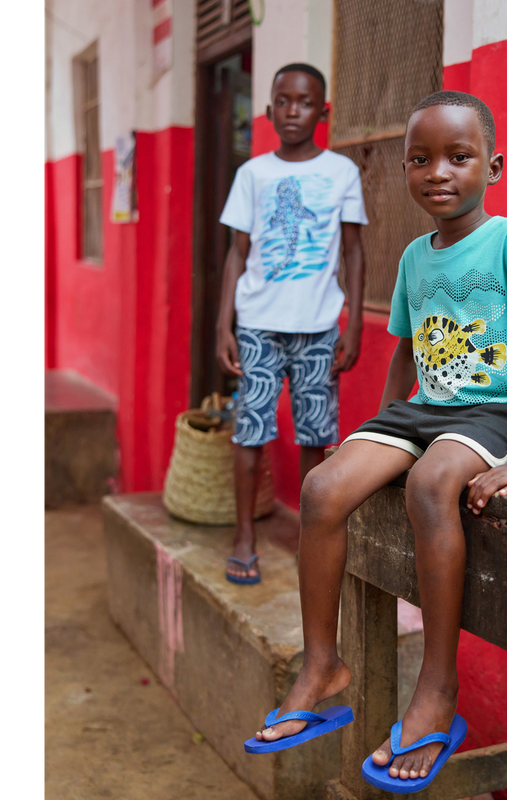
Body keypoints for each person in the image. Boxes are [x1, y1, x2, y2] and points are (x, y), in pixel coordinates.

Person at [245, 90, 507, 793]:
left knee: (433, 485)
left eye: (458, 158)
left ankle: (435, 688)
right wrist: (375, 440)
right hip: (421, 411)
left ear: (490, 166)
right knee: (322, 486)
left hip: (489, 411)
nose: (439, 172)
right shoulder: (413, 257)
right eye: (421, 159)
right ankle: (321, 665)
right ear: (404, 170)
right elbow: (405, 357)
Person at [217, 64, 368, 585]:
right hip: (258, 323)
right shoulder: (252, 175)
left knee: (315, 434)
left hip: (319, 326)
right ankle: (244, 536)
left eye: (304, 102)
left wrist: (353, 324)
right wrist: (224, 325)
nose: (292, 111)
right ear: (268, 110)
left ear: (322, 112)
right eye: (282, 101)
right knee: (249, 430)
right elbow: (237, 256)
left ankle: (313, 536)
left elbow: (353, 250)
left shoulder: (341, 172)